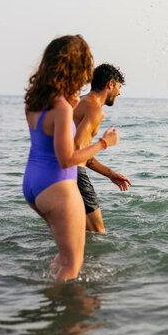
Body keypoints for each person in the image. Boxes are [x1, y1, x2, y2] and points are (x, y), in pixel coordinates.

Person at [22, 35, 120, 280]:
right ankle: (61, 315)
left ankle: (45, 296)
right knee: (71, 266)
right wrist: (103, 143)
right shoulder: (62, 107)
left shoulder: (34, 102)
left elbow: (45, 141)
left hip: (33, 185)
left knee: (64, 257)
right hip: (58, 186)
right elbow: (68, 158)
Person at [74, 64, 131, 233]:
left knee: (72, 229)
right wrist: (104, 143)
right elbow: (78, 151)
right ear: (110, 84)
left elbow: (81, 152)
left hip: (56, 170)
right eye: (119, 87)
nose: (119, 93)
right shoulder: (94, 109)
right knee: (97, 232)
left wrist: (110, 174)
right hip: (75, 174)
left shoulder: (79, 101)